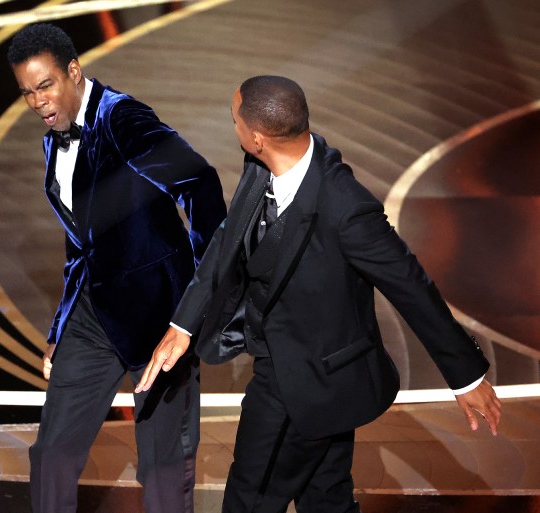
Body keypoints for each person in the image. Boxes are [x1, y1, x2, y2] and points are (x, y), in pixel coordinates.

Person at [135, 75, 502, 513]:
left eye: (233, 120)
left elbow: (411, 286)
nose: (231, 127)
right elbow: (227, 240)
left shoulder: (347, 208)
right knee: (326, 501)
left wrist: (466, 375)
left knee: (248, 501)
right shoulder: (260, 167)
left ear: (257, 138)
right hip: (316, 380)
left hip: (304, 382)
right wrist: (183, 324)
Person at [7, 23, 226, 513]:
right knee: (52, 454)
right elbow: (80, 243)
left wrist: (195, 301)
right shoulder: (52, 139)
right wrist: (61, 325)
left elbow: (202, 184)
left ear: (73, 71)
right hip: (93, 315)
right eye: (27, 93)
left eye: (46, 86)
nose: (39, 102)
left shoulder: (123, 119)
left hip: (157, 320)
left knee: (162, 467)